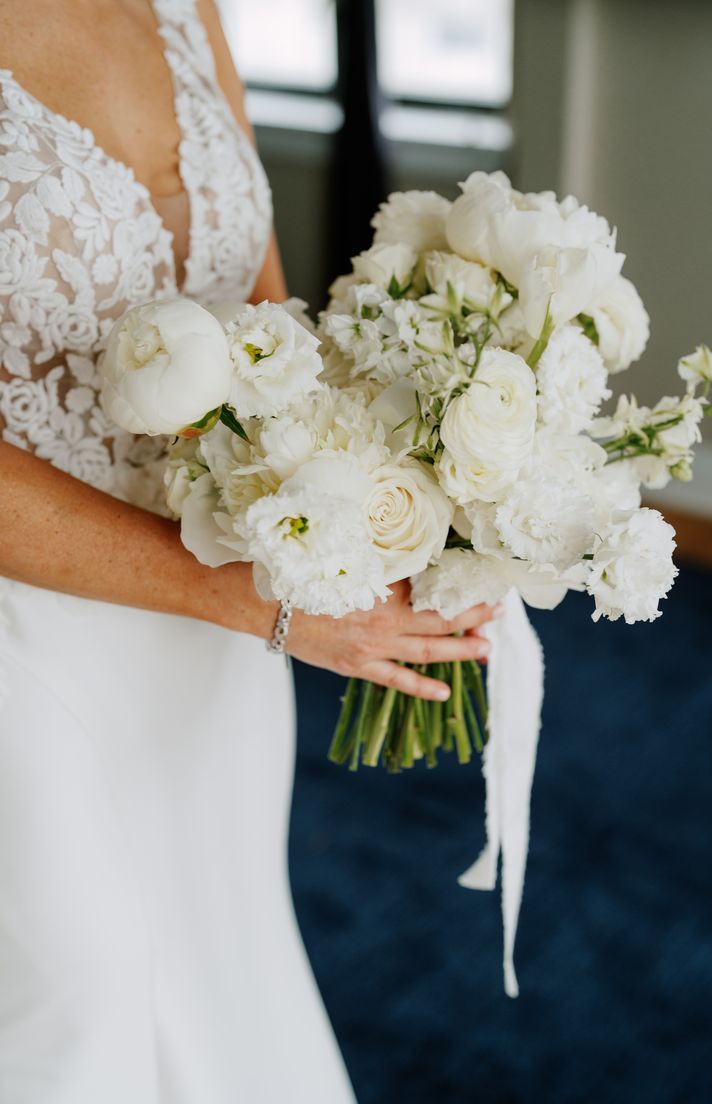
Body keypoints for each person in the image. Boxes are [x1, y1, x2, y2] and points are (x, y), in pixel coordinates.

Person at [0, 1, 497, 1099]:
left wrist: (375, 500)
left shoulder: (185, 6)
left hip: (224, 613)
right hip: (29, 629)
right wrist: (261, 604)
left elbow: (261, 307)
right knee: (74, 1001)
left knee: (218, 933)